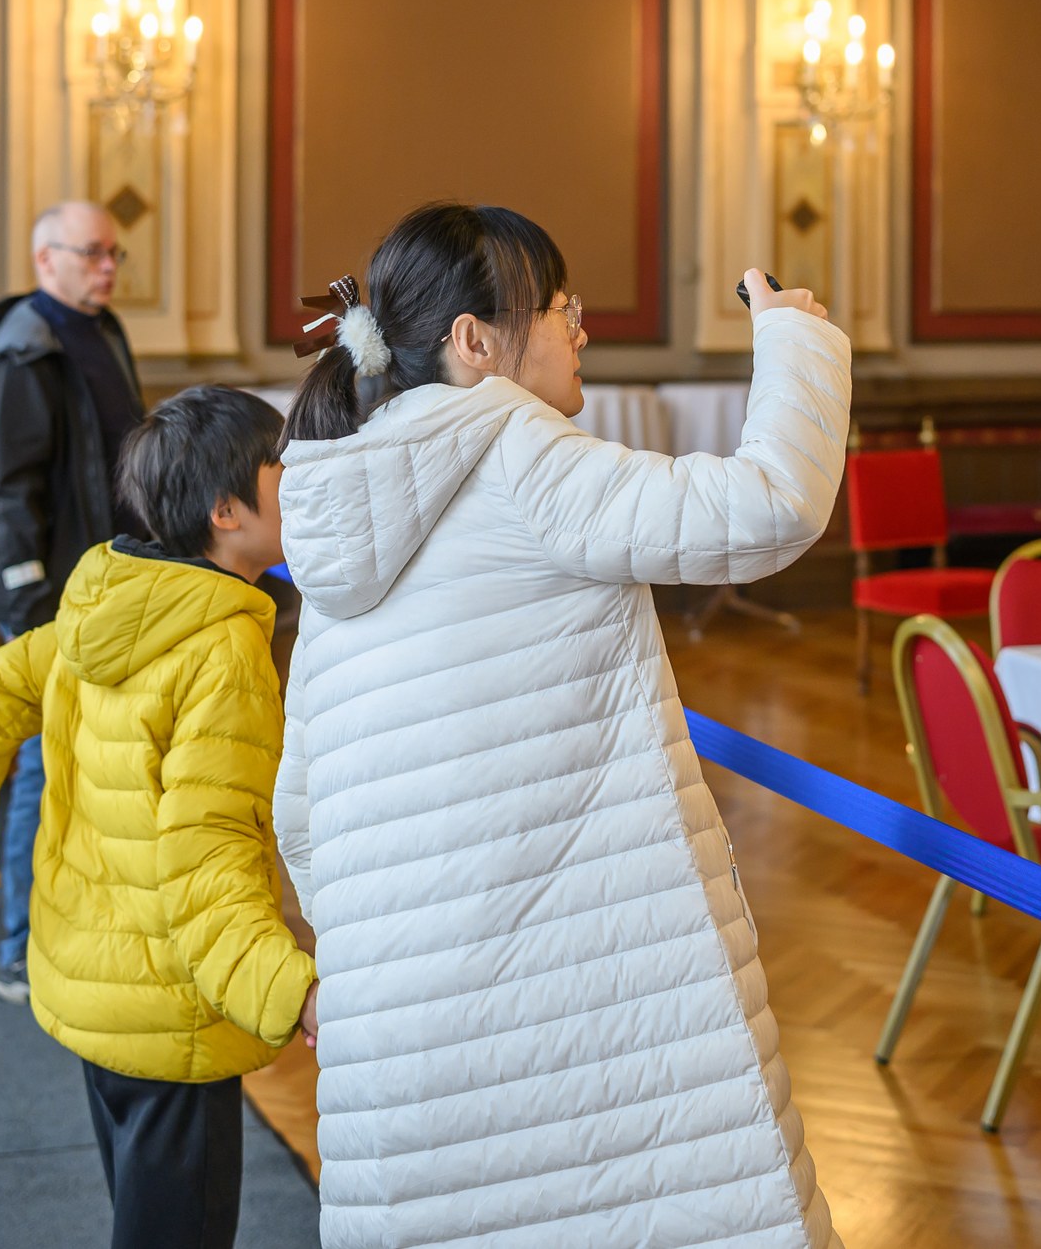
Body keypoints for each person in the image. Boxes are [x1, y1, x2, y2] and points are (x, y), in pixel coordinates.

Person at [272, 204, 852, 1247]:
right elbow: (768, 506)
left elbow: (301, 809)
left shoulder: (344, 502)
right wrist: (794, 337)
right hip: (580, 1020)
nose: (580, 328)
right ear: (474, 342)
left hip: (409, 1040)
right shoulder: (513, 451)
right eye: (557, 307)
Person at [0, 385, 318, 1249]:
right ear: (225, 511)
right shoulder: (221, 650)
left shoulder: (106, 606)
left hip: (93, 981)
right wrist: (288, 987)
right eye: (281, 467)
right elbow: (207, 848)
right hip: (171, 1003)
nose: (300, 478)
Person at [0, 200, 142, 1003]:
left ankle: (72, 918)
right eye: (92, 253)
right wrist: (30, 593)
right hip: (43, 591)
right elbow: (5, 486)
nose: (107, 267)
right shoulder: (22, 348)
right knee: (41, 760)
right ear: (45, 258)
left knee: (84, 759)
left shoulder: (102, 330)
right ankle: (18, 946)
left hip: (100, 579)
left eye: (115, 253)